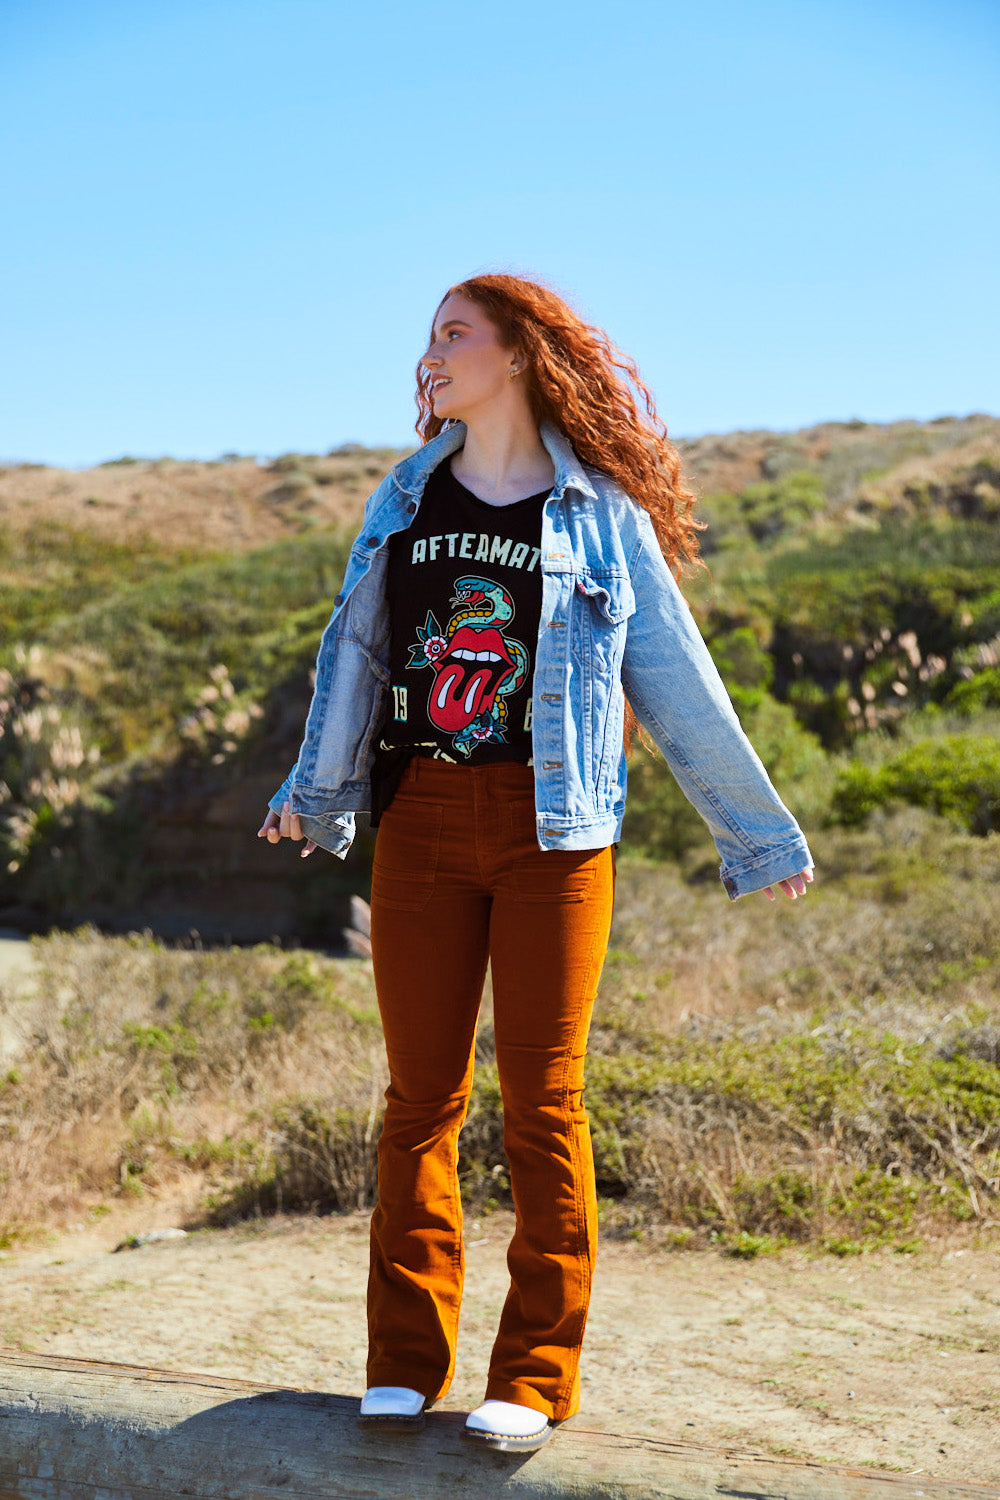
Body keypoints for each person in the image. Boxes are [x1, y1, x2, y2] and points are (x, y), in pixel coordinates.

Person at [258, 273, 813, 1452]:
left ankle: (535, 1375)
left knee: (542, 1105)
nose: (431, 354)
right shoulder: (402, 498)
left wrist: (755, 836)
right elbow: (354, 652)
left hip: (552, 830)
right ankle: (405, 1364)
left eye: (453, 334)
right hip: (418, 821)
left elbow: (673, 680)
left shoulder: (598, 509)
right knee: (418, 1102)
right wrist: (311, 795)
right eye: (428, 338)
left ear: (514, 354)